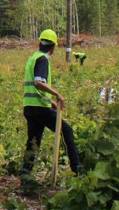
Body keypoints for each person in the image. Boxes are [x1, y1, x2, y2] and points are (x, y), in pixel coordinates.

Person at [21, 29, 83, 178]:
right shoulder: (43, 59)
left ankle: (25, 174)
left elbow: (37, 89)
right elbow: (38, 82)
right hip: (40, 108)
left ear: (39, 43)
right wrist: (57, 95)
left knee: (33, 141)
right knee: (66, 131)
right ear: (53, 47)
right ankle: (78, 169)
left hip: (30, 107)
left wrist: (50, 102)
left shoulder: (33, 57)